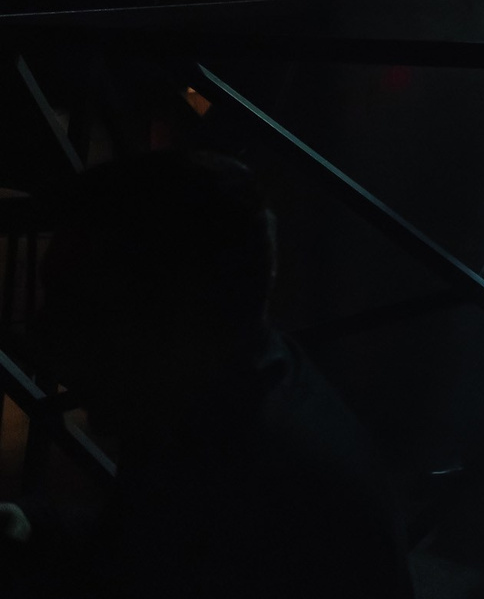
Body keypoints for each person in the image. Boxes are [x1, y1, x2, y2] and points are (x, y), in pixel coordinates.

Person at [0, 151, 413, 599]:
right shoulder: (223, 404)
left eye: (79, 306)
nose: (43, 331)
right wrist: (33, 525)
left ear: (180, 316)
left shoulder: (261, 497)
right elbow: (141, 549)